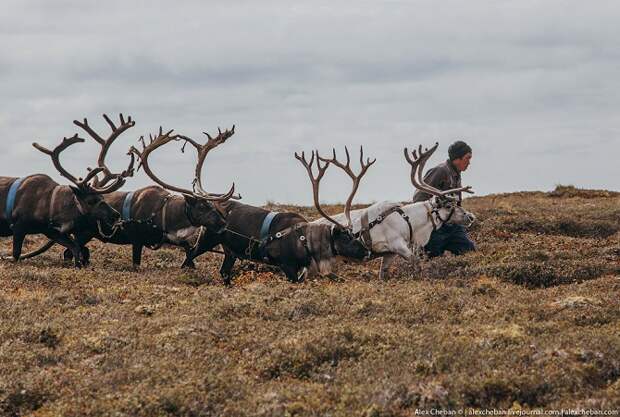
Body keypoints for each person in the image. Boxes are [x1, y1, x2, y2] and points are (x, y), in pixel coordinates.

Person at [412, 140, 475, 257]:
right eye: (467, 158)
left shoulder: (456, 174)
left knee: (469, 251)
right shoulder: (440, 171)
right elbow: (418, 198)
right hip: (436, 228)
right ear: (457, 159)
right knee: (431, 258)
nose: (469, 162)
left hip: (452, 226)